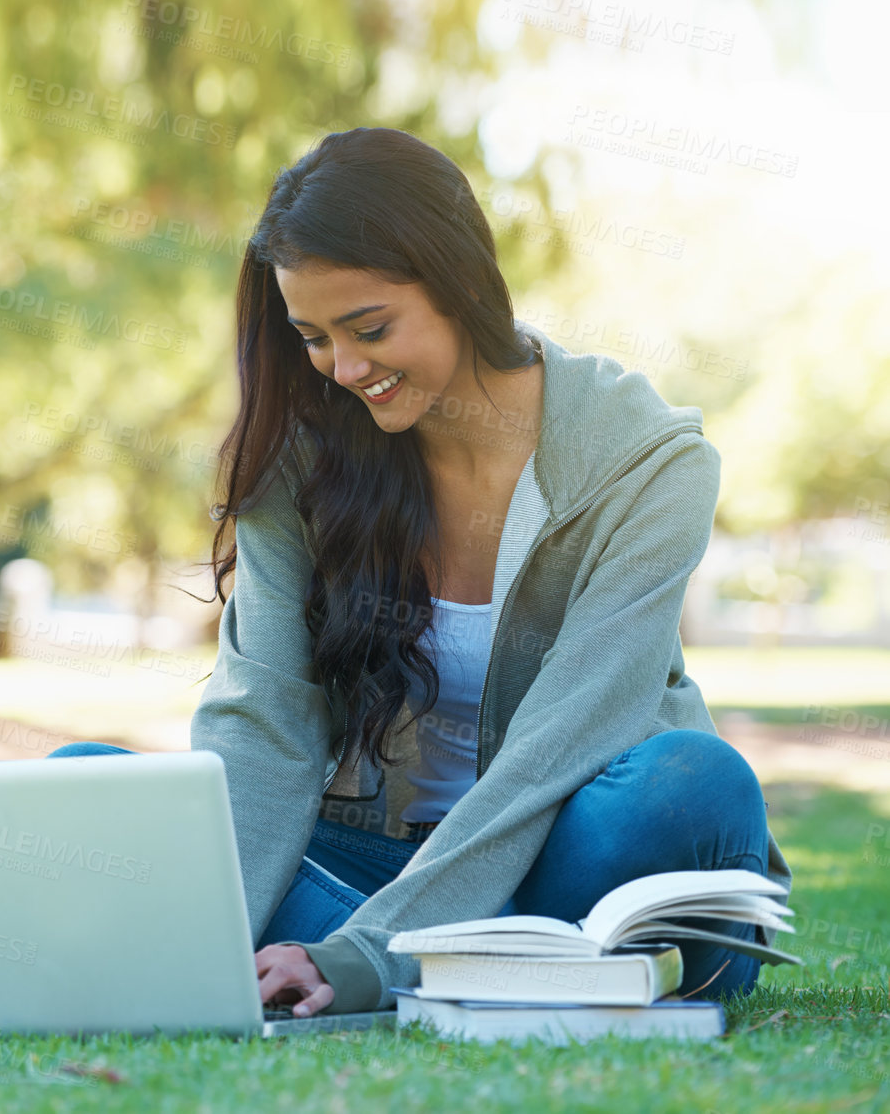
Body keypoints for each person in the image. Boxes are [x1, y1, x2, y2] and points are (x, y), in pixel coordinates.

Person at [45, 127, 793, 1017]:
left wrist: (363, 948)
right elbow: (265, 720)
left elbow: (571, 732)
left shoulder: (647, 461)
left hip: (576, 858)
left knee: (691, 781)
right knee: (82, 781)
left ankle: (407, 960)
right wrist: (196, 940)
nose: (346, 369)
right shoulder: (301, 464)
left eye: (368, 328)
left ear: (463, 281)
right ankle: (462, 970)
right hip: (375, 864)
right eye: (313, 337)